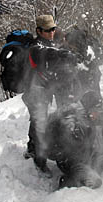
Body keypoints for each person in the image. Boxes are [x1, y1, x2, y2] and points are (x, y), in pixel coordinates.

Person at [23, 14, 78, 175]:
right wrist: (61, 54)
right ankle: (38, 157)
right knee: (39, 120)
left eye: (53, 29)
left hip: (54, 83)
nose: (51, 32)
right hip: (37, 88)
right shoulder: (36, 46)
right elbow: (43, 53)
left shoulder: (56, 39)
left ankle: (65, 146)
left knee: (65, 112)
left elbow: (62, 47)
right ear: (39, 31)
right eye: (48, 30)